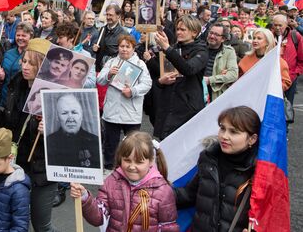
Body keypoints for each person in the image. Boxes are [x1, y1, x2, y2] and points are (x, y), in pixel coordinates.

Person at [0, 38, 59, 232]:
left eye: (32, 63)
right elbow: (8, 125)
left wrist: (51, 129)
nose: (25, 66)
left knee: (41, 224)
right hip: (16, 164)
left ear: (43, 66)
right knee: (14, 220)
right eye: (24, 61)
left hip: (42, 170)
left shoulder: (56, 91)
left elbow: (71, 135)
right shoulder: (17, 85)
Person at [70, 131, 178, 232]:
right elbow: (98, 219)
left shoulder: (163, 191)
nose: (132, 166)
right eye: (127, 160)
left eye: (139, 162)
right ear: (120, 158)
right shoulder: (111, 182)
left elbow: (168, 226)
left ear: (151, 162)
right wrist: (84, 198)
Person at [175, 106, 261, 232]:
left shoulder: (258, 172)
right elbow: (189, 194)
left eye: (234, 132)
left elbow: (268, 216)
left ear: (252, 139)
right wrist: (156, 192)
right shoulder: (208, 159)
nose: (224, 136)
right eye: (222, 128)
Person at [97, 34, 152, 169]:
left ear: (133, 48)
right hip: (112, 111)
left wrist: (133, 91)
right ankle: (110, 168)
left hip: (131, 113)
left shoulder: (140, 64)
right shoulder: (111, 62)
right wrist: (109, 74)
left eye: (128, 47)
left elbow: (147, 84)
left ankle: (129, 169)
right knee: (110, 144)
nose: (124, 49)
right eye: (122, 46)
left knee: (131, 144)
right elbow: (99, 80)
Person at [151, 15, 208, 140]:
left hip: (187, 108)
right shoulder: (174, 48)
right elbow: (159, 76)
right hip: (169, 106)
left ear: (194, 32)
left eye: (183, 30)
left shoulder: (201, 51)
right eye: (177, 29)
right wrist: (161, 81)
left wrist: (167, 48)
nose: (178, 32)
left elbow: (188, 69)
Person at [45, 93, 100, 168]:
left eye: (74, 112)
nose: (70, 118)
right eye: (64, 113)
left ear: (81, 115)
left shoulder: (94, 141)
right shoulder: (49, 141)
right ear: (57, 117)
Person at [0, 22, 34, 106]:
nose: (20, 38)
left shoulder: (33, 55)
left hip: (20, 101)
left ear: (31, 37)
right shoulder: (8, 53)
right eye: (18, 35)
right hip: (4, 98)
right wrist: (1, 77)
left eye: (24, 35)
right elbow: (4, 76)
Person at [271, 14, 303, 104]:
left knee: (287, 107)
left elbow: (302, 59)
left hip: (290, 78)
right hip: (271, 78)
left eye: (280, 25)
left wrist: (295, 73)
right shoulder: (269, 36)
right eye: (275, 25)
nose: (277, 28)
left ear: (286, 25)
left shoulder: (296, 36)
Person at [203, 23, 238, 101]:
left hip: (216, 94)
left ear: (223, 39)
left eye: (216, 35)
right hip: (197, 91)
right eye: (211, 33)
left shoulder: (229, 52)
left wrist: (209, 80)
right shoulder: (200, 48)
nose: (212, 36)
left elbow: (233, 74)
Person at [93, 4, 128, 71]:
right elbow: (99, 47)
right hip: (99, 69)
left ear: (118, 16)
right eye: (107, 14)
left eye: (111, 15)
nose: (108, 17)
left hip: (113, 70)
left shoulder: (124, 33)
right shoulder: (102, 29)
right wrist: (95, 49)